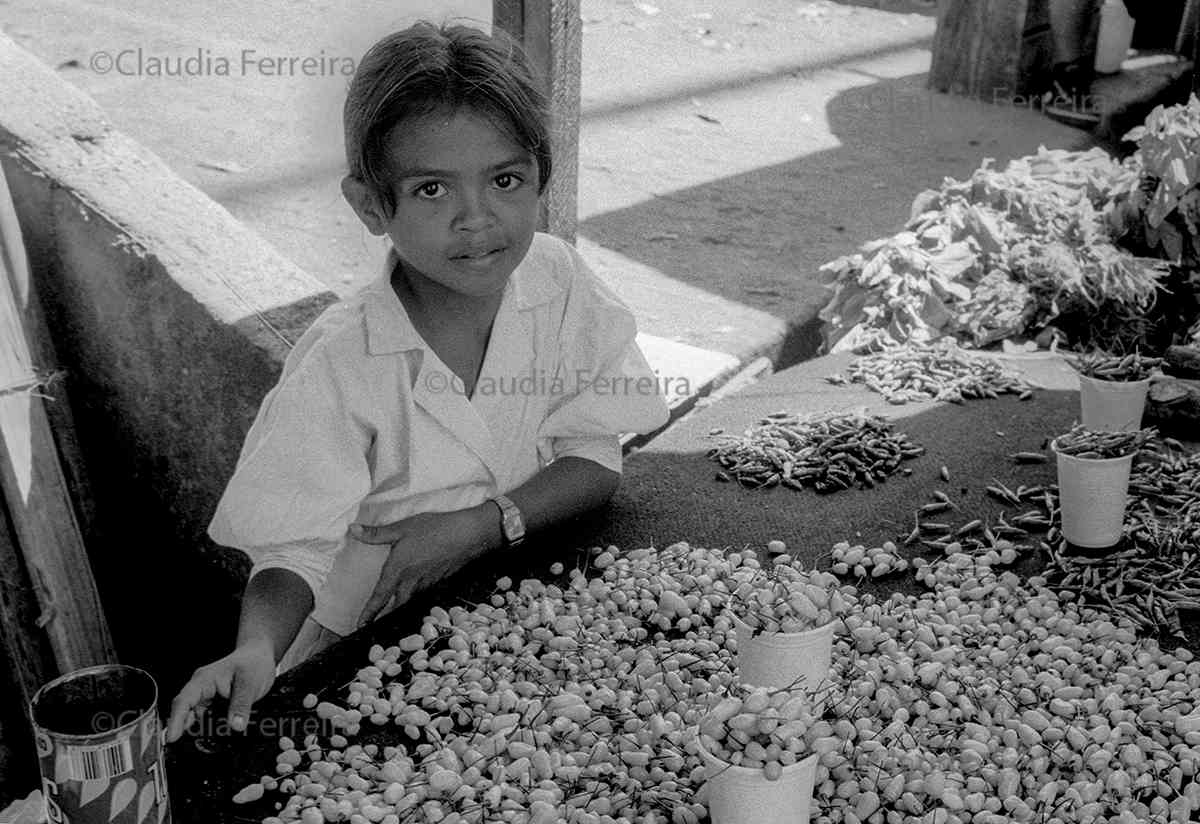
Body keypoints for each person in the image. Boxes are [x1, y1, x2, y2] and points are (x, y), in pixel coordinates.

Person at [166, 21, 670, 742]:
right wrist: (257, 649)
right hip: (364, 644)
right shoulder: (342, 362)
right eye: (432, 189)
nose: (477, 219)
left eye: (505, 180)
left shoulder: (557, 282)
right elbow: (293, 550)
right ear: (371, 206)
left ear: (541, 179)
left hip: (515, 606)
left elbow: (594, 456)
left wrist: (479, 526)